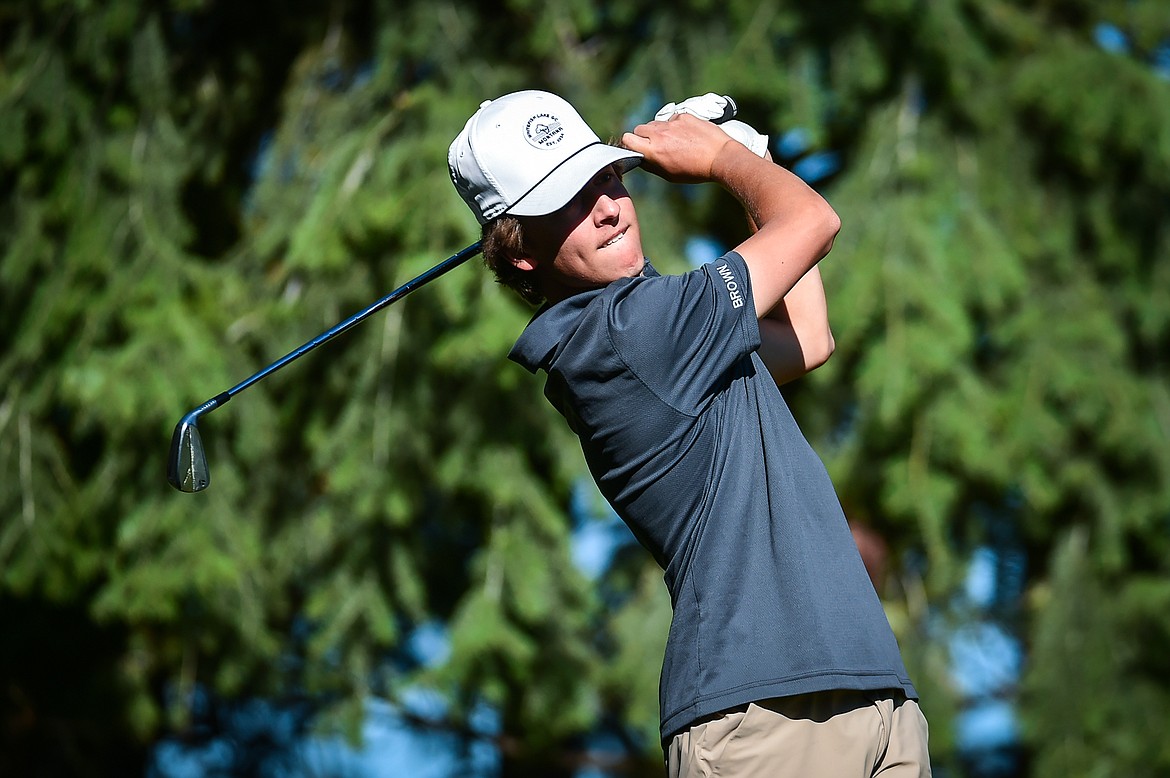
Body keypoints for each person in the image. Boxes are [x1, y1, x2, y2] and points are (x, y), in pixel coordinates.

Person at [447, 89, 931, 777]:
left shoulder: (661, 334)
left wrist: (752, 159)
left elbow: (810, 338)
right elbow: (813, 221)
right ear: (521, 252)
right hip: (766, 716)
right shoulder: (629, 332)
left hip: (865, 689)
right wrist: (724, 159)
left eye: (606, 176)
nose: (609, 207)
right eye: (569, 201)